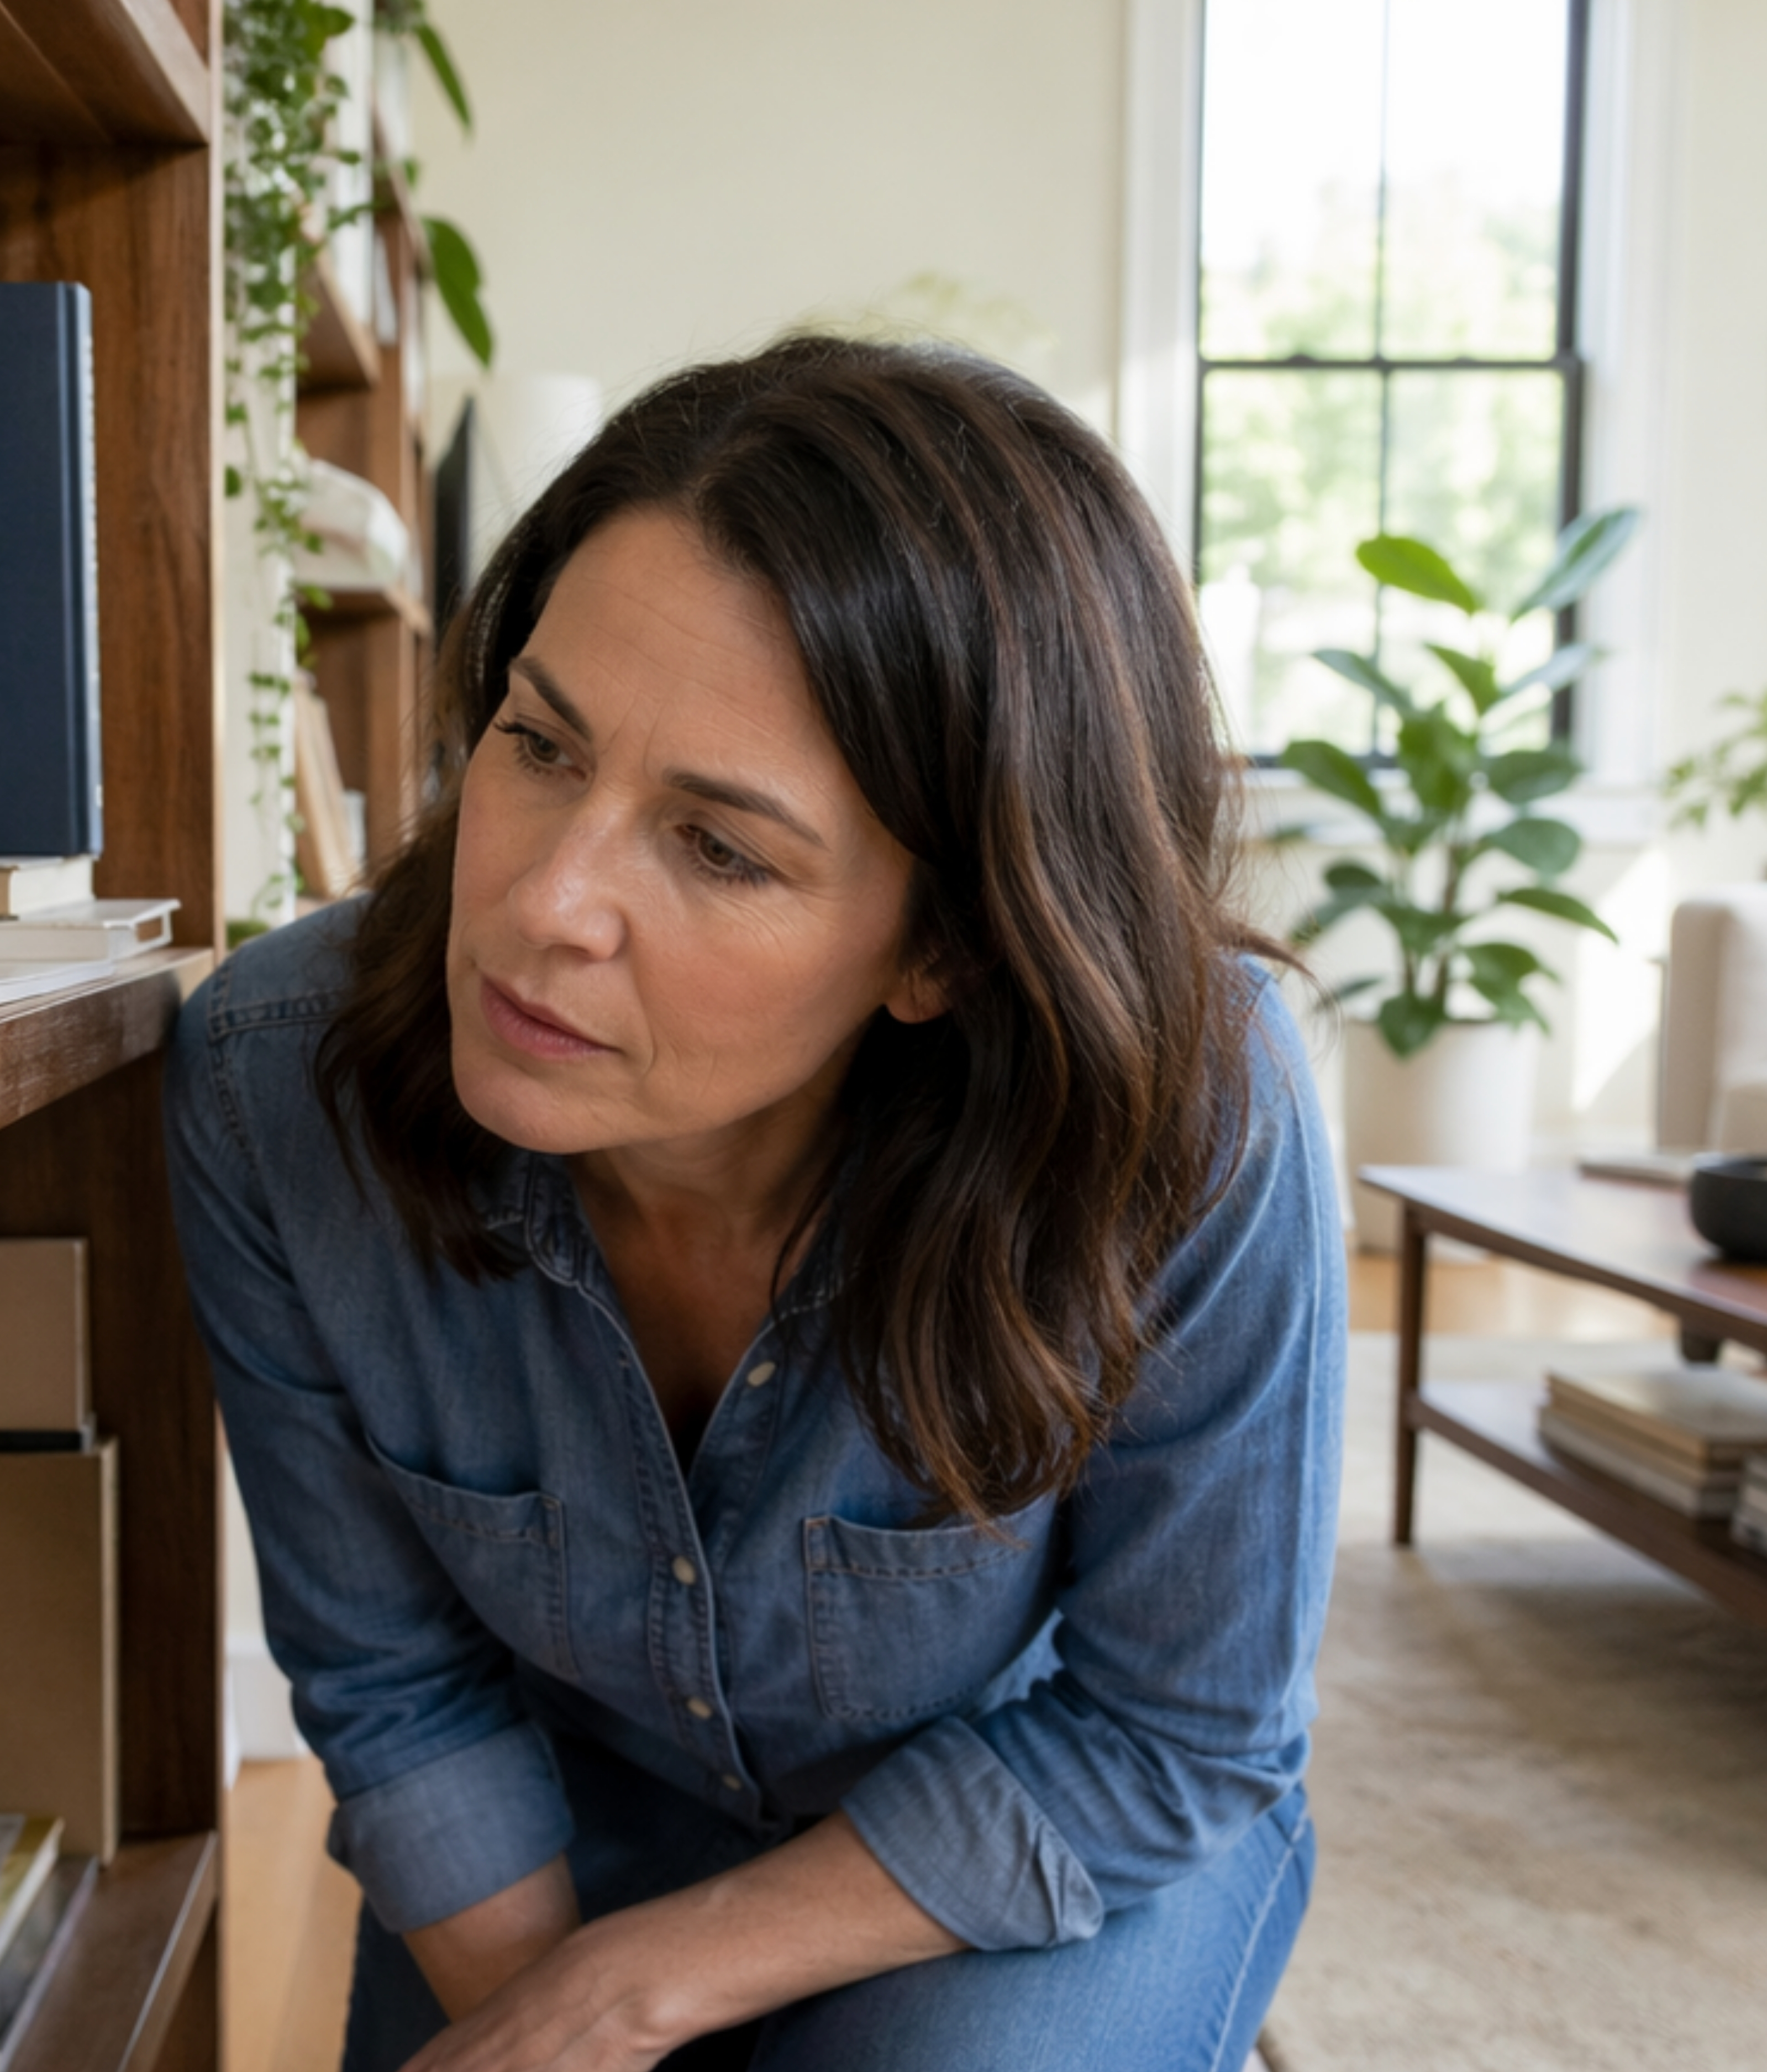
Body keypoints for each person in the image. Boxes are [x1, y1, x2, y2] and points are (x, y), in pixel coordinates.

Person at [166, 336, 1343, 2072]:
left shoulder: (1186, 1106)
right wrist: (555, 2000)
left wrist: (637, 1994)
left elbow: (1177, 1727)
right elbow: (395, 1686)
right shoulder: (276, 1080)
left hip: (1034, 1818)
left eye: (718, 849)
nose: (545, 903)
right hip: (570, 1816)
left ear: (944, 946)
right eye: (541, 747)